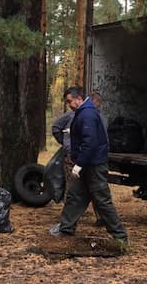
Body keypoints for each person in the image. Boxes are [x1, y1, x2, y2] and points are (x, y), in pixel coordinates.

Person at [50, 86, 128, 247]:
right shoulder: (83, 112)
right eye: (68, 102)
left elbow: (90, 141)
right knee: (75, 195)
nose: (69, 104)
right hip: (86, 164)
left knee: (101, 200)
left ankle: (120, 237)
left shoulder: (87, 114)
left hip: (93, 166)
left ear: (79, 98)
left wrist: (79, 164)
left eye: (70, 101)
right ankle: (66, 229)